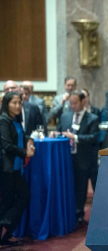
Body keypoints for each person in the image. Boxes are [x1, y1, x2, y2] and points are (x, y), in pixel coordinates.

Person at [49, 91, 99, 226]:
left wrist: (75, 138)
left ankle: (79, 215)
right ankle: (67, 214)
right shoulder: (65, 116)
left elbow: (94, 138)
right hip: (66, 159)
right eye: (70, 103)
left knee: (80, 189)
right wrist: (55, 133)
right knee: (66, 187)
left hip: (83, 160)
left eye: (75, 103)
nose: (72, 105)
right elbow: (60, 131)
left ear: (83, 102)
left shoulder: (92, 118)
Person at [0, 92, 35, 246]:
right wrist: (25, 153)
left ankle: (6, 232)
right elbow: (7, 145)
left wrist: (30, 140)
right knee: (7, 202)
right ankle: (5, 230)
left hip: (16, 168)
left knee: (23, 197)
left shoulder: (16, 121)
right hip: (6, 169)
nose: (17, 106)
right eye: (14, 103)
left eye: (19, 103)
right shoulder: (3, 121)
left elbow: (22, 136)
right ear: (6, 104)